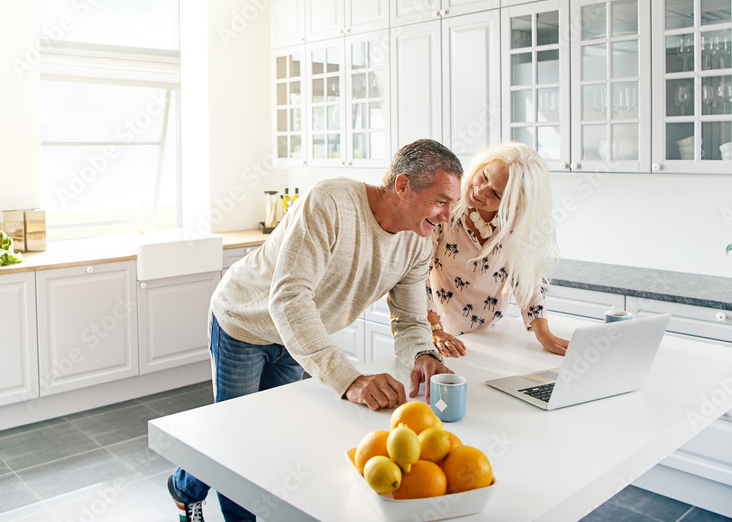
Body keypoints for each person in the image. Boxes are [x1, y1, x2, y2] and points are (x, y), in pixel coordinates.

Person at [168, 139, 462, 522]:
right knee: (239, 438)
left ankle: (183, 484)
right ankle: (202, 499)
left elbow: (408, 320)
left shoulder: (418, 242)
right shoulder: (331, 203)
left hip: (298, 337)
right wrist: (348, 379)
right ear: (403, 185)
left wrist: (424, 354)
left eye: (451, 203)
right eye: (441, 200)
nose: (447, 215)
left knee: (266, 434)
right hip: (245, 322)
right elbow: (289, 298)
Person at [425, 142, 568, 358]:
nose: (480, 190)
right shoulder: (446, 207)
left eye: (496, 194)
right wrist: (435, 329)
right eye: (484, 176)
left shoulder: (518, 222)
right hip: (442, 332)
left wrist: (544, 334)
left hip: (493, 334)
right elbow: (418, 272)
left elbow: (526, 278)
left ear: (513, 205)